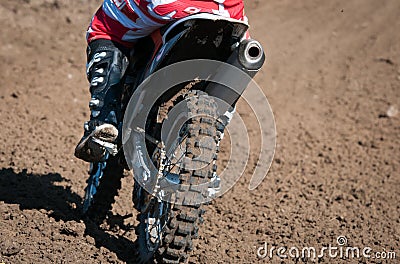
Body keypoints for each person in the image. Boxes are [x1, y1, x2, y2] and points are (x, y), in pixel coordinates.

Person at [75, 0, 248, 162]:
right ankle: (215, 127)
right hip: (227, 10)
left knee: (105, 28)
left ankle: (105, 119)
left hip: (166, 5)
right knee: (241, 56)